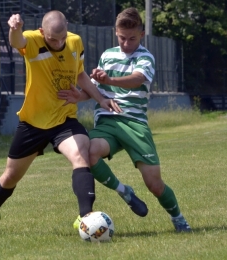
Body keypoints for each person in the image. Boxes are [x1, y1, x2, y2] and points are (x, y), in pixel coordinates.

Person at [58, 7, 191, 232]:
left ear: (141, 34)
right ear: (115, 33)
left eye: (131, 38)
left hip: (135, 124)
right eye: (121, 38)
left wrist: (110, 79)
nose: (126, 43)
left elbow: (137, 79)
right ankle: (124, 192)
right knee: (88, 153)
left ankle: (178, 218)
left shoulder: (146, 57)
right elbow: (96, 89)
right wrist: (78, 96)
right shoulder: (107, 55)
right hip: (108, 121)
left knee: (154, 185)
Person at [0, 10, 121, 227]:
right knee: (10, 177)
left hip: (64, 119)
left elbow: (80, 74)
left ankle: (86, 219)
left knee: (80, 155)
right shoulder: (33, 40)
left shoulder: (75, 42)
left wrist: (100, 99)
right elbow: (18, 41)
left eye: (62, 37)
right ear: (43, 32)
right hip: (33, 123)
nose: (59, 42)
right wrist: (15, 29)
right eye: (53, 39)